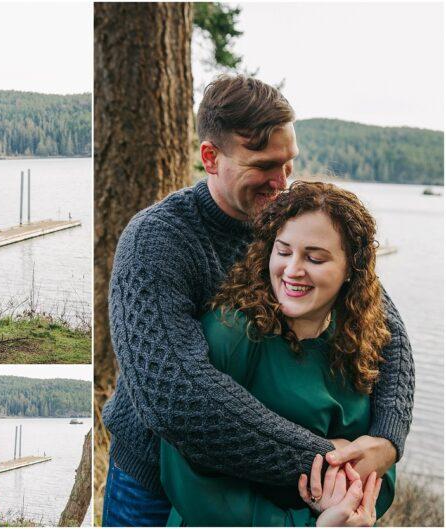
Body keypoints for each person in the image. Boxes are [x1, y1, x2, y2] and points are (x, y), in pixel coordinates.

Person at [101, 75, 414, 526]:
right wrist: (328, 460)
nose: (282, 181)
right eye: (266, 165)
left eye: (289, 164)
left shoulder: (288, 220)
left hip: (262, 484)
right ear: (210, 157)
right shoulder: (158, 239)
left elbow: (388, 332)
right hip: (150, 481)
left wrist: (386, 440)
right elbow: (176, 397)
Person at [160, 181, 396, 526]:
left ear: (351, 270)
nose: (292, 270)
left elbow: (380, 470)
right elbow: (189, 478)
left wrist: (346, 508)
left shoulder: (362, 338)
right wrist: (307, 522)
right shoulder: (232, 334)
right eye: (283, 252)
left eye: (314, 257)